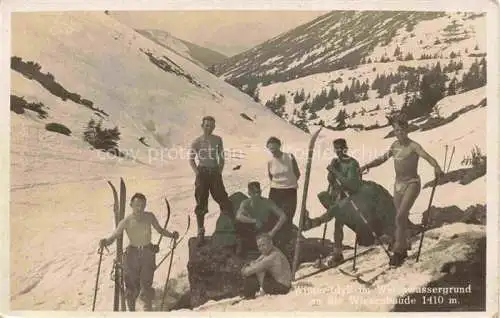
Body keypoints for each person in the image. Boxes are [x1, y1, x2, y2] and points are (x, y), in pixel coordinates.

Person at [360, 114, 444, 266]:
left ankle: (398, 251)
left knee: (400, 216)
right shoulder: (394, 146)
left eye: (401, 130)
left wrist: (436, 167)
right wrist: (367, 166)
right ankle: (403, 247)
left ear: (407, 130)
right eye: (396, 130)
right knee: (400, 218)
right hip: (398, 185)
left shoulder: (414, 146)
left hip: (412, 183)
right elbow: (382, 158)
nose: (399, 133)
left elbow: (428, 157)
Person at [99, 193, 179, 311]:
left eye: (142, 205)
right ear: (131, 205)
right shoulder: (126, 221)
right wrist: (105, 242)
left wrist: (171, 235)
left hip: (147, 253)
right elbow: (114, 236)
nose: (140, 208)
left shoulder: (150, 216)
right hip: (132, 255)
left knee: (146, 285)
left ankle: (148, 311)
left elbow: (160, 230)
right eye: (137, 205)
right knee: (131, 287)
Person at [302, 138, 363, 265]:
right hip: (337, 197)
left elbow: (352, 184)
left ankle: (315, 223)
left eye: (341, 148)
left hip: (351, 197)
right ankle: (337, 252)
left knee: (338, 217)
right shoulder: (335, 161)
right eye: (336, 149)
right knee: (338, 218)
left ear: (345, 148)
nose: (338, 151)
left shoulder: (352, 163)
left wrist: (335, 171)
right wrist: (331, 173)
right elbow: (331, 180)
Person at [189, 116, 233, 245]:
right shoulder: (196, 142)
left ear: (214, 127)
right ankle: (200, 231)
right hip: (202, 172)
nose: (209, 128)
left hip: (214, 172)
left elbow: (221, 157)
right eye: (206, 125)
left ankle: (229, 227)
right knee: (201, 201)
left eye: (211, 125)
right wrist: (198, 173)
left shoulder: (218, 140)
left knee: (222, 198)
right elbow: (191, 159)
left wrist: (219, 171)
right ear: (202, 126)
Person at [235, 181, 287, 257]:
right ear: (249, 193)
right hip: (253, 228)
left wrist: (272, 232)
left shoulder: (267, 202)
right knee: (238, 224)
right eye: (254, 192)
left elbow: (283, 216)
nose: (257, 195)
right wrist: (254, 221)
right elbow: (238, 216)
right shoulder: (245, 203)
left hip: (265, 228)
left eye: (259, 192)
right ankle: (244, 247)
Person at [266, 136, 300, 249]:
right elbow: (271, 176)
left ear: (279, 146)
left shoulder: (289, 157)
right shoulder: (270, 161)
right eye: (271, 150)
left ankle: (285, 242)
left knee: (288, 215)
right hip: (275, 191)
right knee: (274, 216)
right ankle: (274, 242)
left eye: (275, 149)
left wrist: (289, 183)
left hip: (290, 190)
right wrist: (278, 185)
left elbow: (297, 173)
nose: (273, 152)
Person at [240, 233, 292, 298]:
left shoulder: (273, 256)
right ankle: (248, 294)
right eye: (259, 246)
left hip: (282, 288)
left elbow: (248, 271)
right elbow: (256, 262)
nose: (261, 248)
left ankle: (248, 296)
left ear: (271, 243)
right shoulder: (272, 250)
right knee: (256, 269)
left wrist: (245, 269)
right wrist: (251, 265)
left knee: (254, 273)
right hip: (284, 285)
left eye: (263, 245)